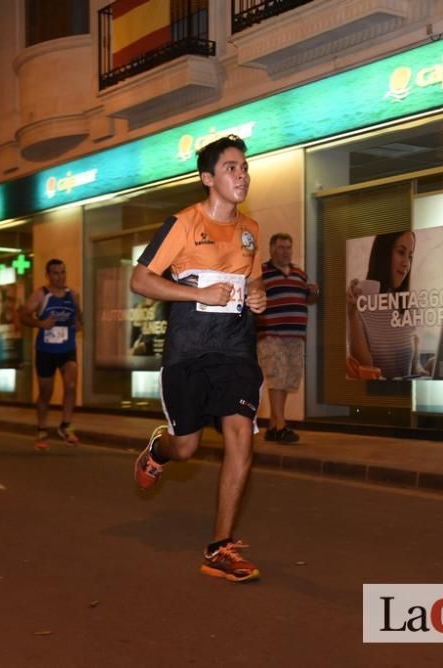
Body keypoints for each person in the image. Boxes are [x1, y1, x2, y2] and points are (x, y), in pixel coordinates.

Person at [130, 134, 267, 583]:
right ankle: (159, 449)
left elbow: (255, 282)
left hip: (235, 350)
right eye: (231, 168)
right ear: (208, 178)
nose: (241, 174)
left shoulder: (251, 230)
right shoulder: (184, 223)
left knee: (240, 438)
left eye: (244, 167)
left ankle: (219, 547)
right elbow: (141, 280)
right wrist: (198, 293)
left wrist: (259, 297)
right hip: (189, 350)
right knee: (187, 447)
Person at [256, 233, 319, 444]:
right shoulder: (262, 272)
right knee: (277, 377)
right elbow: (254, 294)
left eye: (288, 248)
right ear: (272, 249)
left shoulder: (300, 274)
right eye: (281, 247)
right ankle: (281, 426)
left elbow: (310, 299)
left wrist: (313, 292)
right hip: (272, 334)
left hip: (296, 336)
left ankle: (274, 427)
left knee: (286, 381)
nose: (285, 251)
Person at [346, 230, 428, 380]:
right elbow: (365, 368)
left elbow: (415, 367)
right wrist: (351, 314)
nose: (406, 263)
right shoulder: (359, 302)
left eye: (410, 256)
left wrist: (430, 370)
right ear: (383, 253)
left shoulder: (411, 307)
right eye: (401, 252)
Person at [21, 258, 84, 450]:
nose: (60, 276)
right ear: (48, 275)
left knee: (71, 385)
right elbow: (23, 315)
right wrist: (41, 324)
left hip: (67, 348)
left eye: (63, 272)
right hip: (46, 350)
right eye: (55, 273)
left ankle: (65, 425)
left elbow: (79, 317)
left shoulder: (73, 294)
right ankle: (41, 429)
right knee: (46, 392)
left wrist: (78, 324)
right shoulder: (41, 294)